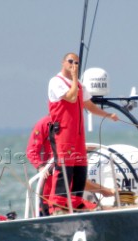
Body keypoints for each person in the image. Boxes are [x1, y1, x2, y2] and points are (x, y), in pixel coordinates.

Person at [48, 52, 119, 215]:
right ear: (63, 62)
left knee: (80, 167)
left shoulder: (79, 84)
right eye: (70, 61)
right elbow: (72, 98)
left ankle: (76, 200)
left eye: (77, 63)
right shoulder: (56, 82)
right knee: (64, 168)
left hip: (77, 133)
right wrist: (74, 78)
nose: (74, 65)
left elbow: (89, 106)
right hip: (63, 131)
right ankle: (59, 203)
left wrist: (108, 115)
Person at [26, 115, 115, 216]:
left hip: (72, 200)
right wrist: (41, 167)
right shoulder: (44, 124)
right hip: (51, 201)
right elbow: (32, 151)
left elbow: (75, 177)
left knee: (106, 210)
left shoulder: (74, 124)